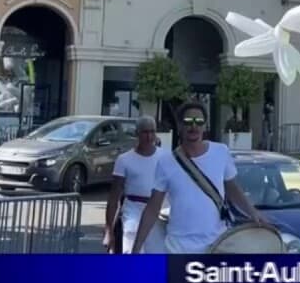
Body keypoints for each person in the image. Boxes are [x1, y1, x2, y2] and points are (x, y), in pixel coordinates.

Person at [133, 102, 266, 254]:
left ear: (205, 125)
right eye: (188, 122)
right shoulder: (166, 162)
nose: (194, 127)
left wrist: (253, 213)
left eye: (199, 122)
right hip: (178, 248)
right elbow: (152, 208)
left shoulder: (221, 152)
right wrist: (136, 249)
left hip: (217, 245)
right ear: (180, 125)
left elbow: (233, 189)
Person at [104, 116, 168, 254]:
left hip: (158, 211)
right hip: (132, 212)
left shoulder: (166, 157)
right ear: (137, 133)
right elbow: (113, 199)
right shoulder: (124, 160)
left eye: (152, 132)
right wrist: (109, 231)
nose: (149, 136)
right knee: (132, 251)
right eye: (145, 132)